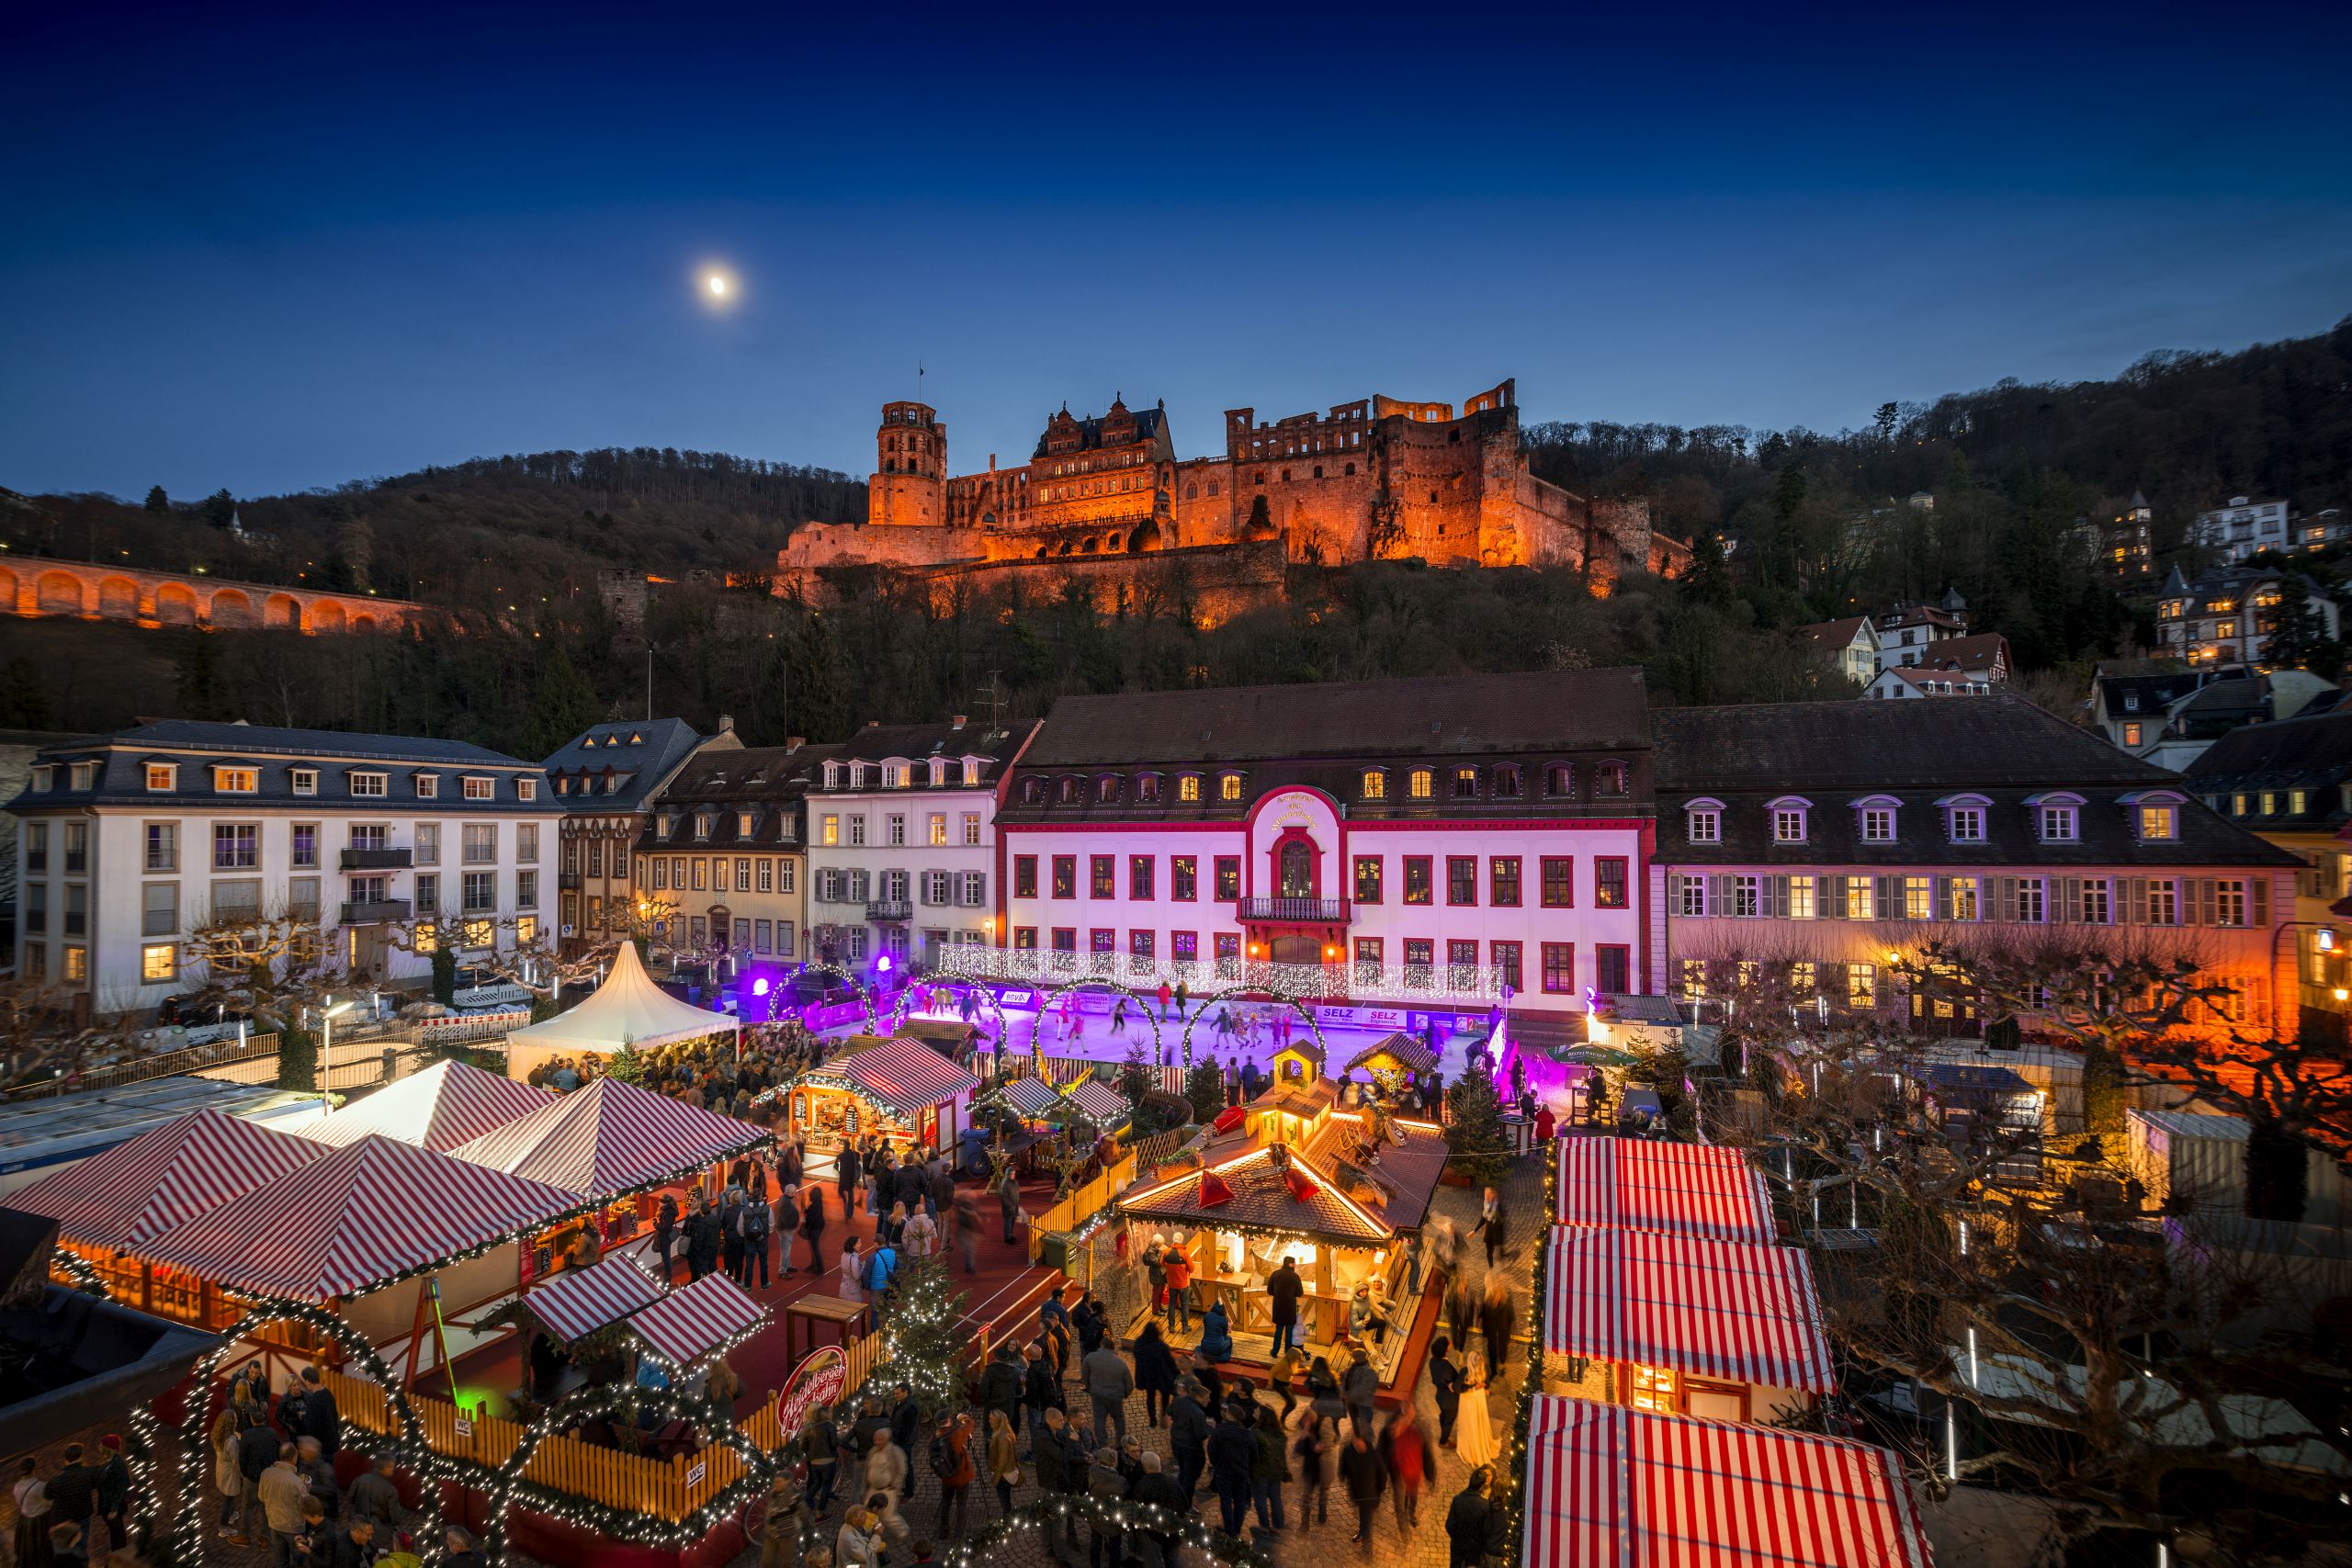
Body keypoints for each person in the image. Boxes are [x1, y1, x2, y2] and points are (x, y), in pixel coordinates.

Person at [1206, 1401, 1255, 1538]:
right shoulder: (1247, 1434)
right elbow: (1254, 1455)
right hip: (1241, 1473)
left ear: (1230, 1415)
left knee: (1226, 1500)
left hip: (1224, 1472)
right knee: (1240, 1500)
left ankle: (1230, 1529)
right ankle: (1237, 1529)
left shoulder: (1220, 1431)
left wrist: (1217, 1464)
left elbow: (1212, 1451)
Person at [1129, 1450, 1186, 1568]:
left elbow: (1137, 1512)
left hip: (1153, 1534)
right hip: (1174, 1531)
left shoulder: (1141, 1486)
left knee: (1153, 1562)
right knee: (1173, 1560)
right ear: (1159, 1465)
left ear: (1144, 1468)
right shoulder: (1173, 1482)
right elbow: (1185, 1503)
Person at [260, 1443, 310, 1568]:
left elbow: (261, 1497)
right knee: (300, 1561)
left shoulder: (266, 1473)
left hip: (274, 1524)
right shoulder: (297, 1482)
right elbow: (305, 1507)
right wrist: (307, 1488)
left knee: (281, 1562)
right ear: (294, 1457)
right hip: (295, 1529)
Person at [1081, 1333, 1134, 1448]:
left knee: (1099, 1419)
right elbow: (1130, 1384)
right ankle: (1120, 1443)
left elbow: (1085, 1376)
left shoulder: (1090, 1358)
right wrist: (1124, 1394)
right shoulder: (1121, 1363)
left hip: (1098, 1394)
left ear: (1102, 1345)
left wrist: (1090, 1388)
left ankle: (1102, 1444)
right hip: (1116, 1396)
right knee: (1119, 1418)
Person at [43, 1445, 97, 1554]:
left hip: (62, 1520)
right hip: (83, 1515)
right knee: (81, 1546)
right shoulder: (89, 1473)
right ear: (81, 1457)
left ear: (65, 1460)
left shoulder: (55, 1482)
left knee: (61, 1549)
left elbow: (47, 1496)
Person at [1338, 1428, 1386, 1548]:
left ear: (1363, 1440)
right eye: (1353, 1441)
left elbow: (1382, 1474)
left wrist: (1379, 1490)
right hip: (1358, 1493)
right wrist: (1342, 1474)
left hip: (1370, 1495)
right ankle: (1362, 1532)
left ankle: (1367, 1548)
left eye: (1357, 1441)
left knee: (1367, 1518)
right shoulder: (1348, 1451)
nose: (1355, 1444)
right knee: (1363, 1514)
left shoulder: (1373, 1455)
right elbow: (1343, 1466)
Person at [1444, 1468, 1502, 1568]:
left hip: (1458, 1547)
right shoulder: (1484, 1505)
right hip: (1474, 1551)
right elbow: (1486, 1531)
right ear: (1481, 1486)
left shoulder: (1457, 1500)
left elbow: (1449, 1525)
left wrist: (1456, 1537)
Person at [932, 1412, 975, 1540]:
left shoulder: (935, 1437)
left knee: (946, 1502)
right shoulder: (956, 1434)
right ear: (948, 1421)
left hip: (946, 1477)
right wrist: (962, 1417)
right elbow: (970, 1423)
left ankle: (943, 1530)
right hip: (961, 1476)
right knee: (961, 1504)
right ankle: (959, 1534)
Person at [1384, 1408, 1429, 1532]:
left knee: (1413, 1496)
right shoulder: (1395, 1435)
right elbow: (1393, 1457)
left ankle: (1411, 1514)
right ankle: (1404, 1514)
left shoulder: (1415, 1433)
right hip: (1400, 1474)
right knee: (1404, 1497)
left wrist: (1420, 1476)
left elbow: (1419, 1455)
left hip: (1412, 1473)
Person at [1249, 1402, 1289, 1535]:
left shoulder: (1255, 1433)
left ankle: (1264, 1527)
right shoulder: (1280, 1434)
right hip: (1277, 1470)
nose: (1254, 1411)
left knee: (1260, 1499)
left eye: (1257, 1411)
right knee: (1275, 1498)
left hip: (1261, 1471)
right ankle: (1278, 1524)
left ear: (1262, 1417)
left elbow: (1251, 1453)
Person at [1168, 1379, 1210, 1502]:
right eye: (1206, 1398)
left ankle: (1178, 1494)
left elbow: (1169, 1411)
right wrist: (1209, 1428)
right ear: (1198, 1397)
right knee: (1191, 1477)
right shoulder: (1198, 1413)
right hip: (1191, 1449)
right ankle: (1185, 1503)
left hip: (1176, 1443)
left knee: (1183, 1471)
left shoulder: (1178, 1400)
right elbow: (1200, 1435)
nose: (1208, 1400)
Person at [1295, 1413, 1339, 1529]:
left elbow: (1317, 1448)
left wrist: (1308, 1437)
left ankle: (1313, 1520)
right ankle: (1317, 1517)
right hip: (1314, 1469)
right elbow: (1299, 1450)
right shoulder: (1311, 1432)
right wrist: (1304, 1435)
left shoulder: (1319, 1430)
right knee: (1316, 1493)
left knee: (1312, 1495)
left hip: (1318, 1468)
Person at [1454, 1355, 1498, 1471]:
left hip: (1471, 1399)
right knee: (1476, 1420)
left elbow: (1458, 1388)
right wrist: (1478, 1388)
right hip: (1475, 1398)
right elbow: (1486, 1383)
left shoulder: (1466, 1371)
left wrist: (1477, 1387)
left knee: (1471, 1421)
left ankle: (1472, 1445)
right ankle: (1477, 1443)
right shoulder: (1483, 1370)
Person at [1087, 1445, 1126, 1568]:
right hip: (1112, 1518)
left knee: (1095, 1543)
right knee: (1115, 1547)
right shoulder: (1120, 1481)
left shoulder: (1092, 1470)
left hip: (1096, 1515)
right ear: (1114, 1463)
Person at [1022, 1342, 1061, 1461]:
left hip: (1037, 1404)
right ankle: (1047, 1448)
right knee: (1046, 1426)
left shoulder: (1032, 1370)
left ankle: (1035, 1454)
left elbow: (1032, 1390)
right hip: (1047, 1402)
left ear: (1030, 1355)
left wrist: (1025, 1399)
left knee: (1035, 1429)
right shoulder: (1046, 1365)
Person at [350, 1452, 402, 1534]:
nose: (393, 1469)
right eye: (391, 1466)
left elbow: (351, 1498)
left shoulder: (361, 1478)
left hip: (358, 1525)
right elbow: (396, 1519)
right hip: (378, 1532)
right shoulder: (391, 1490)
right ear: (384, 1467)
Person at [14, 1459, 52, 1568]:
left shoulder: (16, 1486)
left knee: (28, 1548)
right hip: (40, 1521)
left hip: (24, 1521)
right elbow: (49, 1504)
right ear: (34, 1469)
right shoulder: (41, 1486)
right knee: (42, 1547)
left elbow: (19, 1504)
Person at [92, 1435, 127, 1554]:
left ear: (107, 1448)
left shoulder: (117, 1464)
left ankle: (119, 1558)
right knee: (115, 1533)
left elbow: (122, 1486)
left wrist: (114, 1509)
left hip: (113, 1506)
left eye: (102, 1445)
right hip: (107, 1504)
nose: (99, 1447)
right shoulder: (108, 1462)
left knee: (118, 1535)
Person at [1427, 1337, 1464, 1448]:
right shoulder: (1446, 1369)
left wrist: (1445, 1384)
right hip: (1450, 1401)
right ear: (1444, 1349)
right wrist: (1463, 1373)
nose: (1451, 1343)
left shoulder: (1433, 1361)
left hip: (1440, 1396)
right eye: (1449, 1343)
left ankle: (1442, 1421)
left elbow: (1436, 1380)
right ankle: (1443, 1442)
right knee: (1449, 1422)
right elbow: (1456, 1387)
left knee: (1444, 1414)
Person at [300, 1364, 341, 1461]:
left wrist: (304, 1418)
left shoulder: (315, 1400)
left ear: (308, 1381)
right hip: (333, 1441)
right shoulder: (327, 1393)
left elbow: (312, 1427)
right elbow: (334, 1415)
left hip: (322, 1446)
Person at [807, 1403, 842, 1516]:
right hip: (827, 1461)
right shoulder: (830, 1426)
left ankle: (805, 1501)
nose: (832, 1414)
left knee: (817, 1484)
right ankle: (820, 1513)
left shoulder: (811, 1427)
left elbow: (805, 1444)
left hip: (814, 1462)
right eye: (830, 1412)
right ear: (825, 1415)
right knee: (826, 1486)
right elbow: (834, 1443)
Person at [985, 1409, 1021, 1519]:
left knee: (1005, 1502)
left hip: (1004, 1476)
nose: (989, 1421)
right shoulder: (999, 1432)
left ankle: (1007, 1523)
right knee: (1006, 1500)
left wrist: (996, 1478)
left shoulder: (1002, 1438)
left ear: (999, 1421)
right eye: (989, 1418)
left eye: (992, 1419)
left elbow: (1002, 1462)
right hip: (1004, 1474)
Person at [1265, 1255, 1304, 1354]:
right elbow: (1300, 1293)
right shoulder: (1295, 1276)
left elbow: (1269, 1291)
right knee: (1289, 1331)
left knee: (1278, 1329)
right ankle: (1287, 1352)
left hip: (1278, 1306)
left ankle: (1274, 1351)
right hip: (1290, 1307)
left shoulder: (1275, 1274)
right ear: (1292, 1264)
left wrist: (1279, 1294)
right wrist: (1290, 1294)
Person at [1479, 1272, 1517, 1371]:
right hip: (1491, 1331)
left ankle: (1502, 1360)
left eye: (1499, 1283)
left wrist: (1511, 1334)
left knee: (1502, 1347)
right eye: (1496, 1283)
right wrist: (1493, 1304)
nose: (1497, 1285)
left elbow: (1511, 1317)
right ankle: (1493, 1368)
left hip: (1503, 1331)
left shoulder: (1507, 1298)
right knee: (1492, 1348)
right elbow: (1484, 1314)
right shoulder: (1488, 1298)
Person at [741, 1185, 774, 1288]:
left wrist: (745, 1236)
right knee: (764, 1262)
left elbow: (740, 1226)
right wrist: (766, 1235)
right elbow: (771, 1224)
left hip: (749, 1240)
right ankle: (764, 1283)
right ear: (760, 1197)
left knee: (749, 1264)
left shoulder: (744, 1210)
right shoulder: (767, 1209)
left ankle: (747, 1286)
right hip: (762, 1239)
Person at [1161, 1240, 1193, 1332]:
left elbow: (1162, 1263)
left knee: (1171, 1304)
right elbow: (1192, 1269)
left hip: (1171, 1283)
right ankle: (1184, 1327)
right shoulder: (1184, 1253)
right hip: (1183, 1284)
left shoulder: (1166, 1251)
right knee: (1184, 1305)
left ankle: (1171, 1327)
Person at [1470, 1186, 1504, 1269]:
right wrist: (1474, 1231)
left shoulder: (1497, 1205)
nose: (1487, 1196)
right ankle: (1491, 1268)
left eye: (1489, 1194)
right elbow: (1483, 1219)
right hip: (1489, 1232)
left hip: (1497, 1232)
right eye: (1485, 1194)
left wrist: (1496, 1216)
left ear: (1493, 1195)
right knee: (1489, 1252)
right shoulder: (1485, 1204)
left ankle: (1502, 1259)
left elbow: (1502, 1221)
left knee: (1499, 1249)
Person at [1265, 1342, 1299, 1422]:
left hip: (1287, 1383)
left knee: (1292, 1402)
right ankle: (1282, 1420)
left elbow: (1293, 1372)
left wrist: (1304, 1370)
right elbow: (1272, 1372)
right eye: (1298, 1357)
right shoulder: (1283, 1364)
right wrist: (1270, 1384)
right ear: (1293, 1356)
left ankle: (1282, 1418)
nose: (1300, 1359)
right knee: (1292, 1403)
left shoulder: (1293, 1363)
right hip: (1280, 1383)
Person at [954, 1190, 984, 1273]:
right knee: (970, 1249)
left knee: (969, 1249)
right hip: (968, 1230)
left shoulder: (962, 1207)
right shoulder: (968, 1209)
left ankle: (969, 1265)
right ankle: (969, 1266)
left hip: (966, 1230)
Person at [1198, 1299, 1233, 1363]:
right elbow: (1224, 1335)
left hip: (1205, 1346)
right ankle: (1223, 1356)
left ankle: (1208, 1356)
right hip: (1218, 1347)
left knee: (1198, 1348)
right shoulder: (1223, 1319)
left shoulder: (1207, 1316)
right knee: (1229, 1339)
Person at [998, 1174, 1023, 1245]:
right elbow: (1003, 1197)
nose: (1013, 1175)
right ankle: (1007, 1238)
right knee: (1008, 1223)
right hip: (1008, 1208)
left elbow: (1017, 1193)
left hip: (1014, 1206)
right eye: (1012, 1174)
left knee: (1012, 1222)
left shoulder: (1014, 1182)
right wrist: (1010, 1205)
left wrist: (1018, 1201)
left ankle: (1010, 1235)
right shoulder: (1005, 1183)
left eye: (1014, 1174)